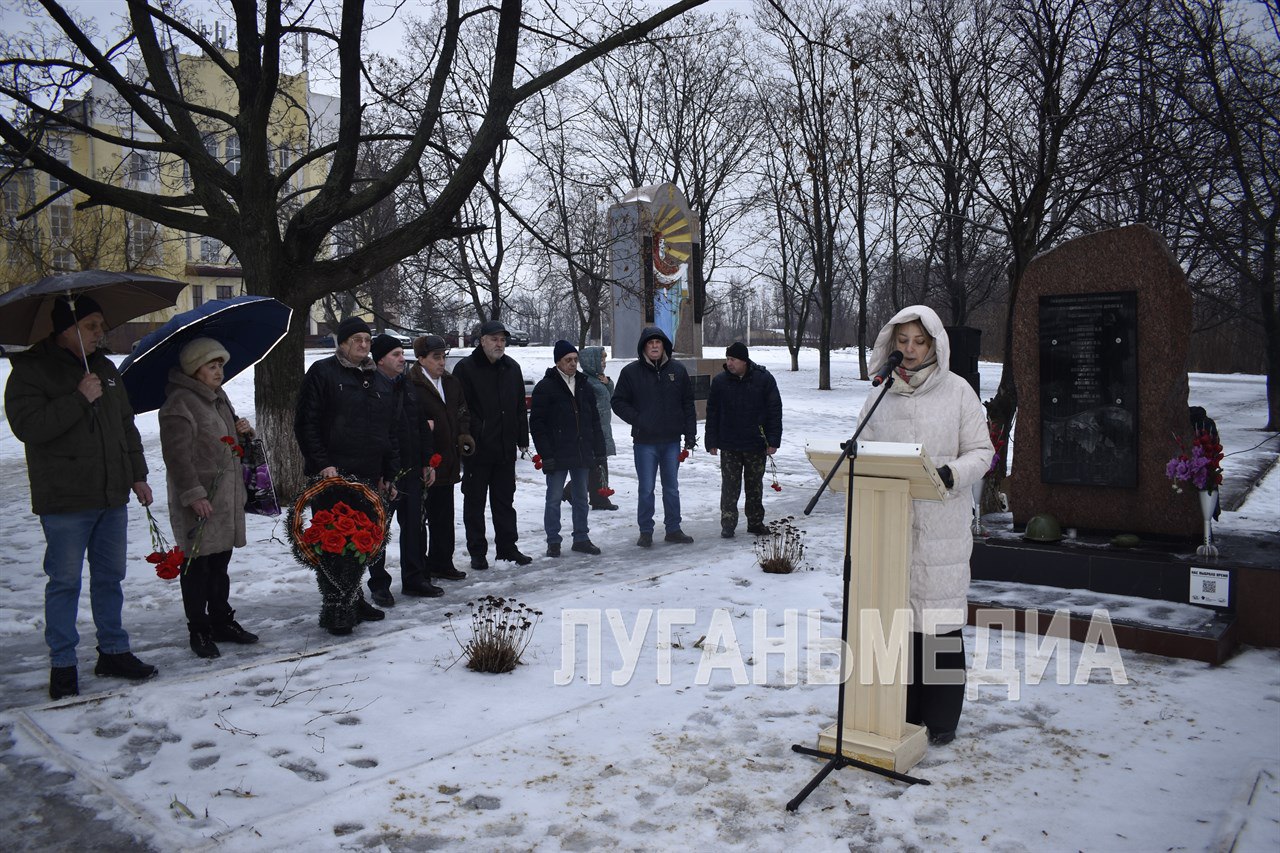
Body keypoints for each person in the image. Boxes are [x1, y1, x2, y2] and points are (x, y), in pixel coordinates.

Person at [5, 294, 158, 699]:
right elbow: (29, 428)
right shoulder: (30, 372)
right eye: (91, 326)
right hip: (65, 499)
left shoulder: (106, 369)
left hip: (111, 495)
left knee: (110, 579)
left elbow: (125, 426)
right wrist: (78, 398)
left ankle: (113, 650)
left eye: (101, 326)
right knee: (65, 582)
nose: (100, 333)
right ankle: (63, 664)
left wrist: (137, 475)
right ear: (65, 329)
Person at [856, 305, 993, 746]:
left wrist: (951, 474)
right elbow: (859, 450)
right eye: (903, 341)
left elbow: (981, 451)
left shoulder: (958, 392)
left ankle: (941, 718)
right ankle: (903, 712)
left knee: (937, 623)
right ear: (891, 343)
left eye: (919, 341)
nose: (910, 350)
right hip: (890, 528)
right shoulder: (880, 392)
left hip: (940, 527)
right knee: (897, 624)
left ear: (934, 343)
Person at [294, 317, 398, 634]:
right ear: (342, 343)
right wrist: (322, 462)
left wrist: (387, 473)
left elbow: (388, 432)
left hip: (367, 477)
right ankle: (336, 605)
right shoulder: (323, 373)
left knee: (361, 542)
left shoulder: (378, 381)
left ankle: (355, 597)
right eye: (356, 339)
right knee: (333, 542)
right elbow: (306, 424)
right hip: (331, 477)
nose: (363, 345)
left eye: (367, 339)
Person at [158, 337, 259, 658]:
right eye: (212, 366)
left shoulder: (218, 398)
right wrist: (193, 495)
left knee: (219, 565)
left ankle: (221, 621)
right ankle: (198, 630)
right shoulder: (179, 404)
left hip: (226, 498)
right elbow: (177, 457)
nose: (219, 372)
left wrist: (243, 431)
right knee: (197, 569)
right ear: (194, 369)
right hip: (201, 501)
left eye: (221, 366)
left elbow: (228, 445)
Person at [452, 319, 532, 569]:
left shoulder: (512, 367)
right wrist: (471, 434)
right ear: (482, 340)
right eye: (494, 339)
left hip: (505, 447)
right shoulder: (466, 369)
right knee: (474, 502)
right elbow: (459, 409)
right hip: (477, 448)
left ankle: (507, 548)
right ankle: (477, 552)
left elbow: (519, 407)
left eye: (502, 340)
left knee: (505, 501)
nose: (499, 344)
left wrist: (522, 439)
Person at [611, 326, 697, 547]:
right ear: (643, 347)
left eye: (658, 342)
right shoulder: (631, 372)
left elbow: (688, 403)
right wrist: (639, 419)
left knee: (671, 488)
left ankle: (673, 529)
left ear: (664, 346)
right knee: (646, 488)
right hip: (644, 442)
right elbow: (618, 402)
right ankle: (646, 531)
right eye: (650, 343)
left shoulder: (677, 370)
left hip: (671, 441)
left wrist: (690, 433)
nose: (655, 346)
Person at [369, 333, 440, 602]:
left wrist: (426, 462)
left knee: (414, 527)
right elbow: (376, 436)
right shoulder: (371, 388)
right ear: (380, 360)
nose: (402, 359)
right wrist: (384, 474)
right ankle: (379, 585)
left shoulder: (407, 386)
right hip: (386, 474)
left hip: (412, 470)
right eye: (396, 355)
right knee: (379, 531)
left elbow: (421, 426)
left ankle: (414, 578)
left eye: (402, 353)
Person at [530, 340, 606, 557]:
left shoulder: (584, 385)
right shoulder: (546, 387)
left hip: (581, 450)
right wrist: (546, 454)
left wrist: (598, 450)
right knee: (554, 498)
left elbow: (594, 420)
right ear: (558, 362)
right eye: (568, 360)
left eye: (575, 360)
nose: (573, 364)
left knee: (581, 497)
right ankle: (553, 540)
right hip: (557, 452)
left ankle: (581, 537)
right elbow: (537, 425)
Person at [409, 334, 473, 581]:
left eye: (443, 356)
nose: (441, 362)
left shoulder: (451, 382)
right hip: (424, 463)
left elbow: (462, 411)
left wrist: (464, 433)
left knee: (445, 517)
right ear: (421, 358)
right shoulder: (411, 384)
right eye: (436, 357)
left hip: (448, 460)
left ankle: (442, 562)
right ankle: (420, 567)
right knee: (421, 519)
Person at [705, 341, 783, 538]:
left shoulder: (764, 379)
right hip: (729, 444)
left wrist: (773, 440)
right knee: (730, 486)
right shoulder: (720, 382)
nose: (729, 363)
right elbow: (712, 412)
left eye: (733, 359)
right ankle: (728, 523)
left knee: (754, 485)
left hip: (755, 444)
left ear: (744, 361)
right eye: (727, 359)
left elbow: (775, 410)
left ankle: (755, 522)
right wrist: (711, 440)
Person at [565, 345, 619, 510]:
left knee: (596, 465)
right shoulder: (586, 381)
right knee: (595, 465)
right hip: (594, 431)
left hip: (603, 428)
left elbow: (610, 398)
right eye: (601, 358)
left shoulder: (598, 379)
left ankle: (592, 497)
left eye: (604, 358)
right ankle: (598, 498)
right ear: (592, 361)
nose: (604, 362)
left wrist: (608, 383)